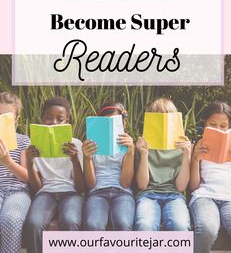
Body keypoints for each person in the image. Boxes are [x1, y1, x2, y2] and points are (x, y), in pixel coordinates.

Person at [25, 97, 84, 253]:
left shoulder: (76, 144)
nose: (54, 122)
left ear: (67, 121)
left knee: (71, 221)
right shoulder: (33, 146)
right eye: (49, 118)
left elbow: (80, 188)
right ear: (42, 119)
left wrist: (74, 160)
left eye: (60, 119)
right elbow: (37, 188)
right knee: (34, 223)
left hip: (71, 193)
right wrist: (30, 163)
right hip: (46, 193)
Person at [134, 97, 191, 231]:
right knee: (144, 225)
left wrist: (186, 155)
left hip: (174, 196)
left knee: (181, 226)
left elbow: (181, 186)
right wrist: (144, 153)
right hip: (147, 195)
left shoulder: (182, 146)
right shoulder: (143, 146)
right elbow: (142, 185)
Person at [189, 101, 231, 253]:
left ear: (229, 126)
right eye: (213, 125)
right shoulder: (198, 145)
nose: (218, 129)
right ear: (205, 124)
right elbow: (194, 186)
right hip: (205, 196)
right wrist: (195, 159)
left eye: (223, 126)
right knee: (206, 229)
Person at [83, 101, 135, 230]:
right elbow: (91, 184)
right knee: (93, 225)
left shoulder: (127, 146)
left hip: (122, 192)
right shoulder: (92, 145)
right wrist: (87, 158)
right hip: (97, 192)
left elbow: (125, 183)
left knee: (123, 223)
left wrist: (130, 152)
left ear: (124, 124)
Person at [0, 92, 31, 253]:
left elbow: (27, 177)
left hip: (17, 191)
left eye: (6, 118)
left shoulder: (23, 140)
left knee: (11, 219)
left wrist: (7, 162)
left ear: (16, 119)